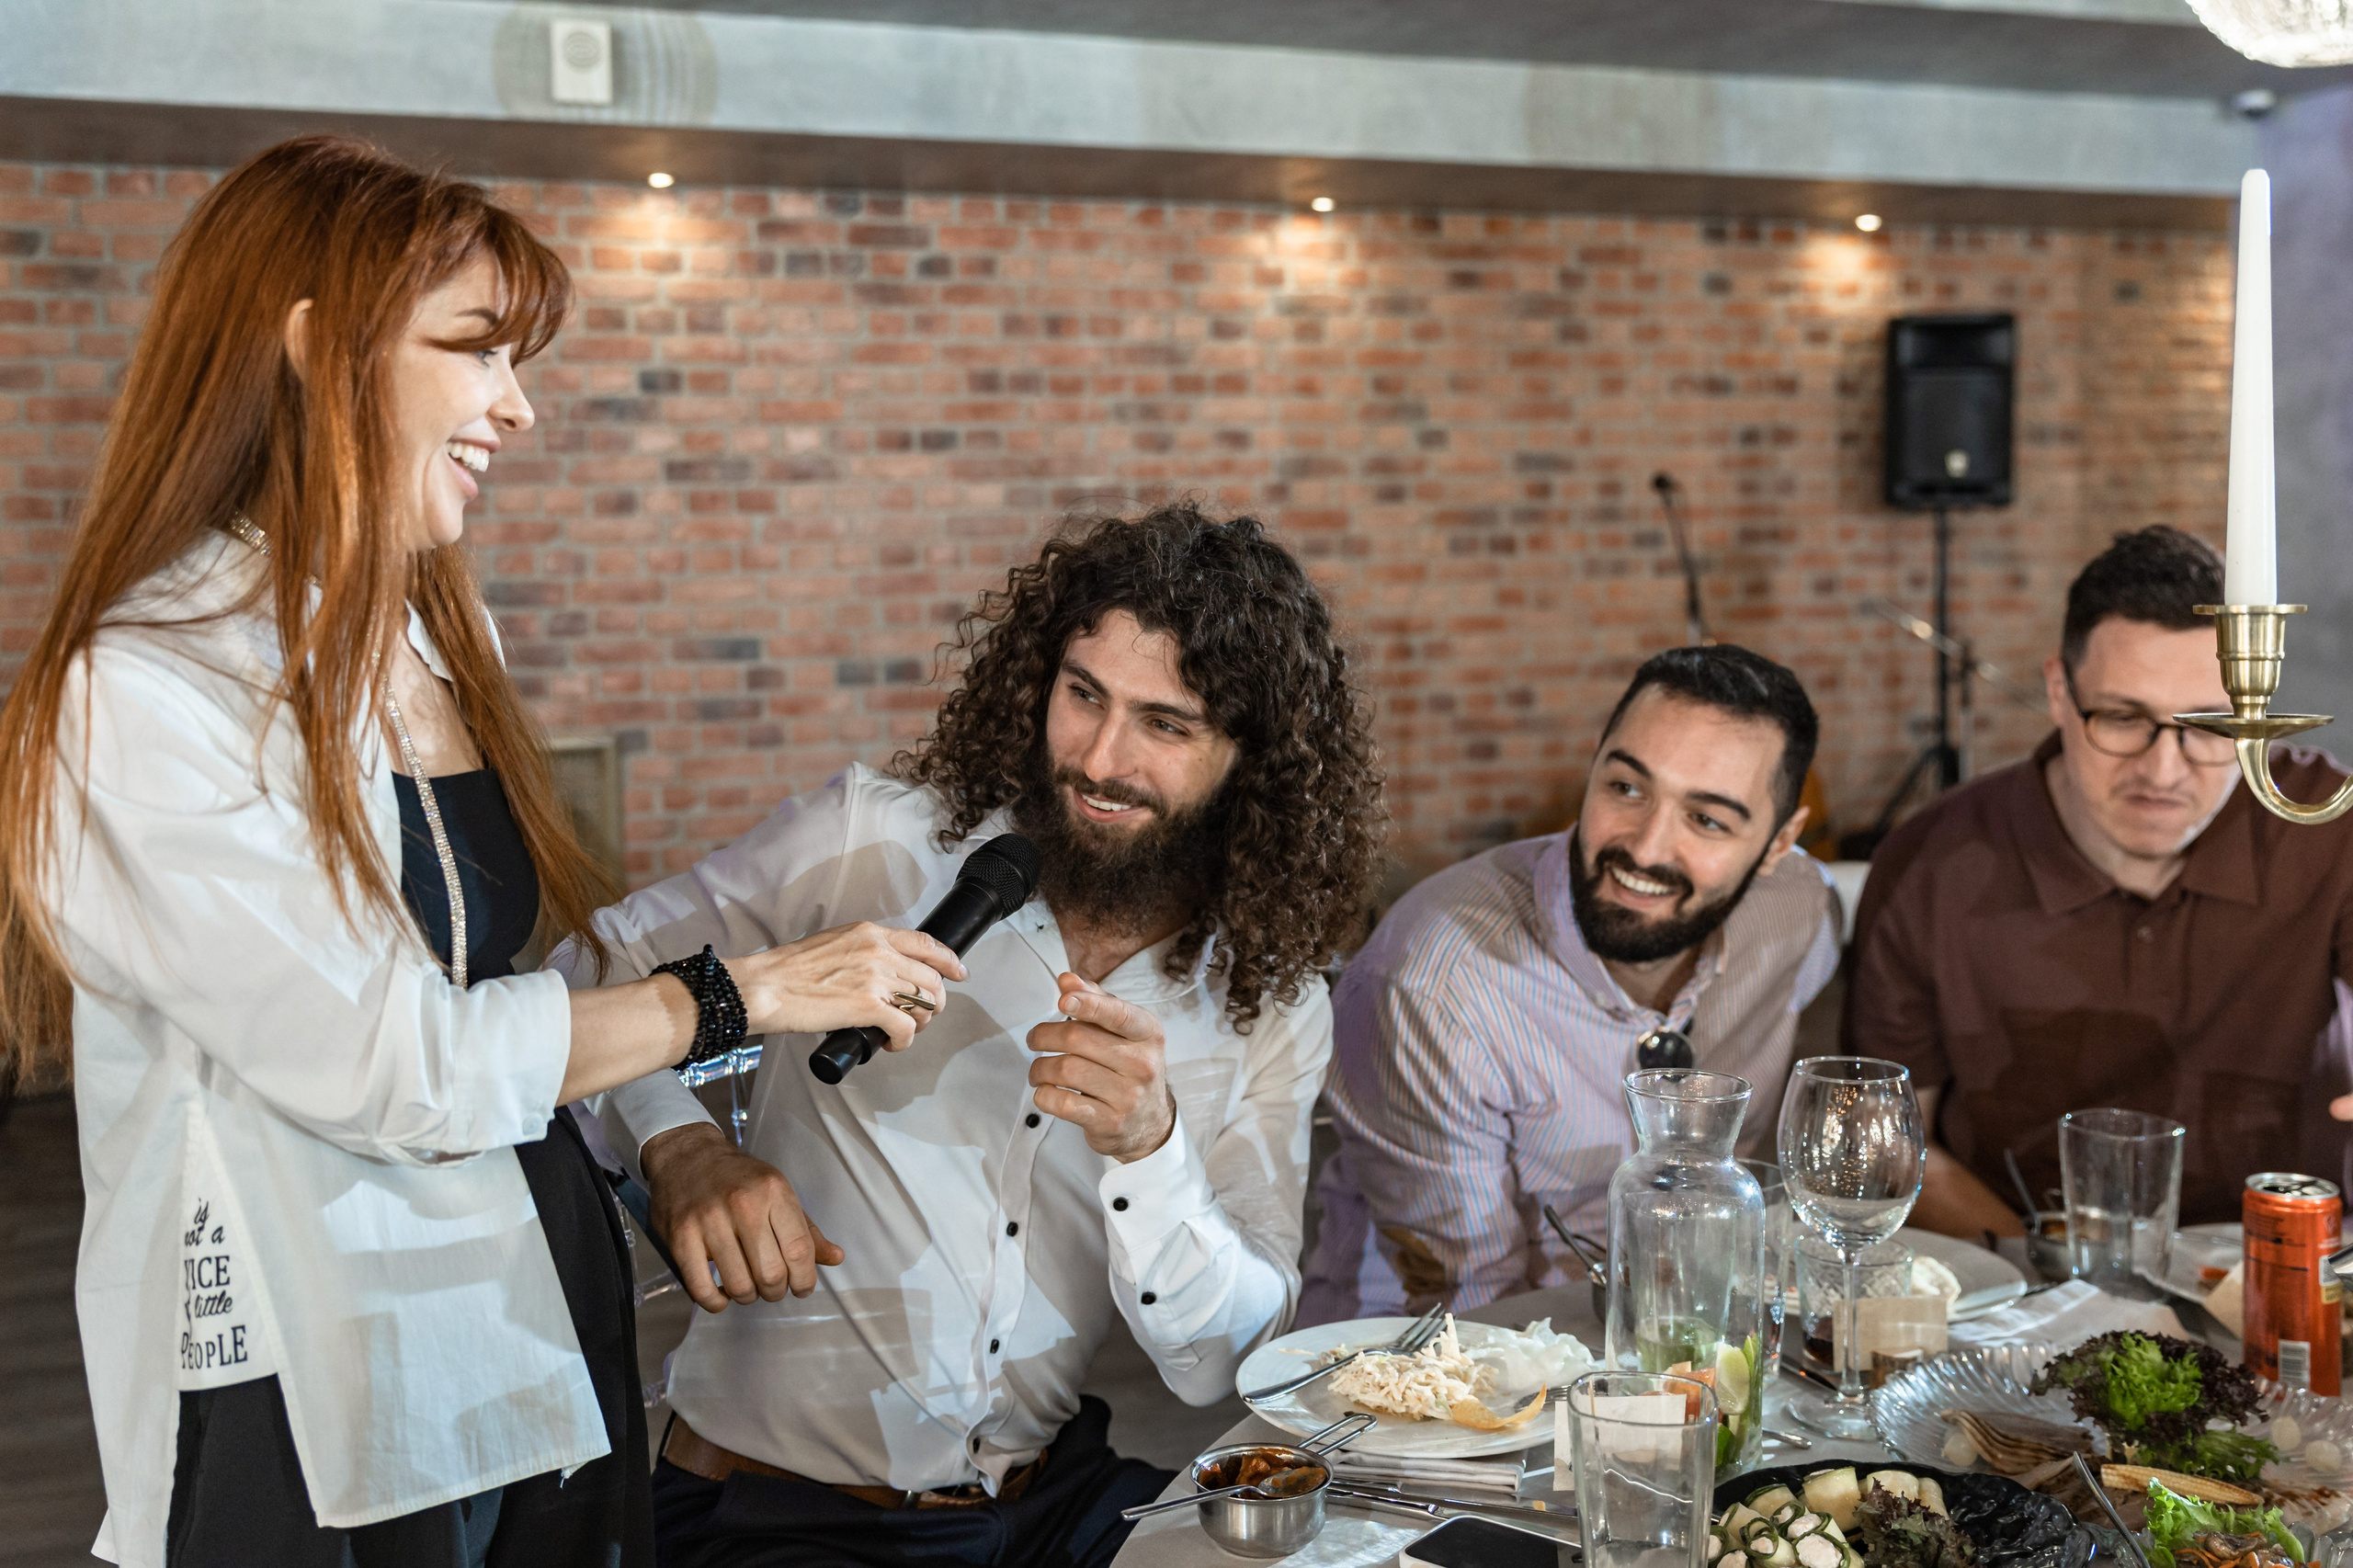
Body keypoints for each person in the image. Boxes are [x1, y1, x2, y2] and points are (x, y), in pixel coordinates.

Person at [0, 137, 963, 1568]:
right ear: (315, 351)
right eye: (476, 349)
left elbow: (509, 976)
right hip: (308, 1361)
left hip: (527, 1292)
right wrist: (743, 995)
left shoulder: (438, 629)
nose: (519, 405)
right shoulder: (141, 688)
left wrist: (676, 1136)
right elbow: (398, 1060)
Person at [565, 506, 1385, 1568]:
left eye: (1164, 725)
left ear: (1249, 761)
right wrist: (678, 1145)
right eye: (1082, 695)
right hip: (774, 1511)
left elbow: (1218, 1360)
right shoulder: (874, 840)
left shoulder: (1268, 1000)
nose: (1098, 758)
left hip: (1047, 1501)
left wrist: (1152, 1152)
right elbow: (585, 969)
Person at [1300, 644, 1839, 1323]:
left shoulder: (1797, 914)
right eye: (1626, 788)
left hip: (1678, 1336)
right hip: (1424, 1353)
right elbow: (1472, 1302)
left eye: (1706, 820)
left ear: (1780, 842)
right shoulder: (1431, 984)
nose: (1644, 848)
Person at [1846, 525, 2353, 1235]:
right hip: (2019, 1264)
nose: (2163, 770)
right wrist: (2051, 1272)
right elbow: (1889, 1142)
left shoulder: (2328, 823)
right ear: (2059, 691)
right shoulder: (1931, 862)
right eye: (2122, 717)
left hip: (2291, 1255)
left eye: (2211, 726)